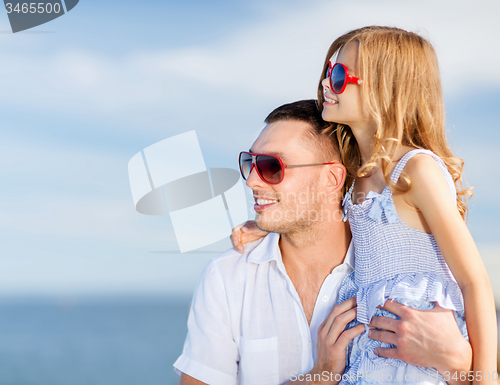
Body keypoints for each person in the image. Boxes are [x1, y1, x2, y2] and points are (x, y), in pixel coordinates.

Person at [234, 26, 497, 383]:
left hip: (417, 337)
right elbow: (316, 213)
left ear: (384, 88)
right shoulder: (356, 174)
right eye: (328, 72)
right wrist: (263, 223)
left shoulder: (416, 170)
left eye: (340, 75)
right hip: (374, 344)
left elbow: (473, 280)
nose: (327, 84)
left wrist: (484, 378)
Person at [175, 100, 473, 385]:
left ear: (332, 178)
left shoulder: (396, 271)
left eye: (271, 166)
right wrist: (320, 375)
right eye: (249, 163)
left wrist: (458, 364)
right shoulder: (227, 276)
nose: (252, 181)